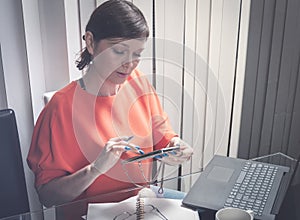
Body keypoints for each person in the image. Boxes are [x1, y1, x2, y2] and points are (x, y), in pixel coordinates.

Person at [27, 0, 193, 213]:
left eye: (137, 54)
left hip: (141, 206)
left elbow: (163, 136)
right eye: (119, 51)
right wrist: (95, 170)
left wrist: (175, 146)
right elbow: (48, 196)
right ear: (90, 42)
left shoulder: (138, 83)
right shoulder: (60, 108)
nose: (129, 64)